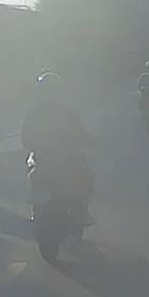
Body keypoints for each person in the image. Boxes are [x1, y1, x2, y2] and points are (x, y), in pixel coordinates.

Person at [21, 71, 93, 222]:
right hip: (51, 159)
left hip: (60, 158)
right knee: (84, 175)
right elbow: (26, 138)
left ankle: (80, 211)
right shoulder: (64, 112)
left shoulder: (37, 113)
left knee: (85, 175)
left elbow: (25, 139)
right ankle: (41, 210)